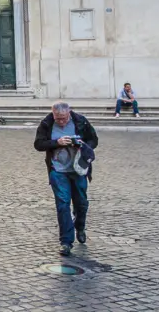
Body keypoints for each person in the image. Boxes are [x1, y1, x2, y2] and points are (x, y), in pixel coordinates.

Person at [34, 102, 99, 256]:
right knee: (63, 204)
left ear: (69, 113)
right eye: (58, 119)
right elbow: (38, 144)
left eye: (63, 118)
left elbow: (94, 140)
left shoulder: (80, 121)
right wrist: (56, 143)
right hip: (58, 170)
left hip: (79, 169)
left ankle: (80, 226)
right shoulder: (46, 123)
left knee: (81, 203)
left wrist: (82, 145)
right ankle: (66, 242)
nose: (61, 122)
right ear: (53, 114)